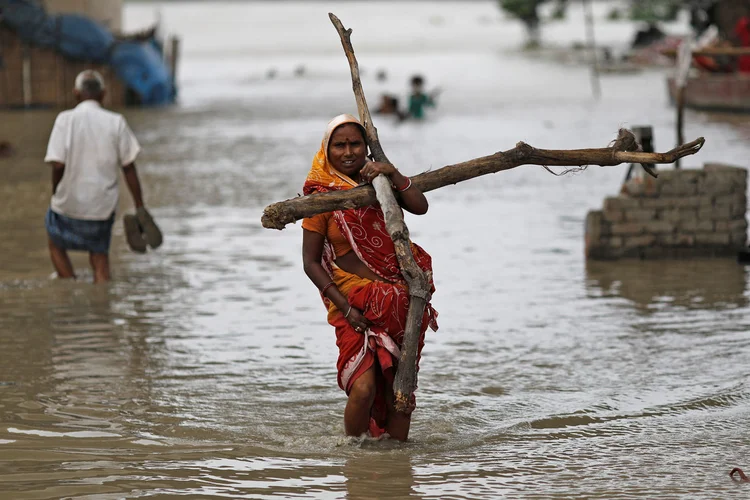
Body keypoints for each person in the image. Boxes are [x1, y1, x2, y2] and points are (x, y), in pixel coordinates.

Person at [301, 114, 438, 441]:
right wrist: (347, 309)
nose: (348, 151)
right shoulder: (319, 196)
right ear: (326, 149)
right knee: (363, 388)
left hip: (402, 304)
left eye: (355, 144)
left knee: (399, 393)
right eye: (339, 145)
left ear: (366, 147)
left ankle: (396, 468)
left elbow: (420, 206)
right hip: (353, 306)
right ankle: (355, 456)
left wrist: (391, 172)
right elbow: (310, 262)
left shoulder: (381, 185)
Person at [44, 70, 151, 283]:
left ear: (76, 94)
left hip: (68, 202)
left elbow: (57, 165)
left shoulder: (65, 120)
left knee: (55, 243)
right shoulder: (116, 122)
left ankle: (69, 283)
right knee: (99, 255)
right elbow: (129, 168)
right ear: (103, 94)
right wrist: (140, 206)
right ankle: (102, 305)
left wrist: (56, 190)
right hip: (102, 207)